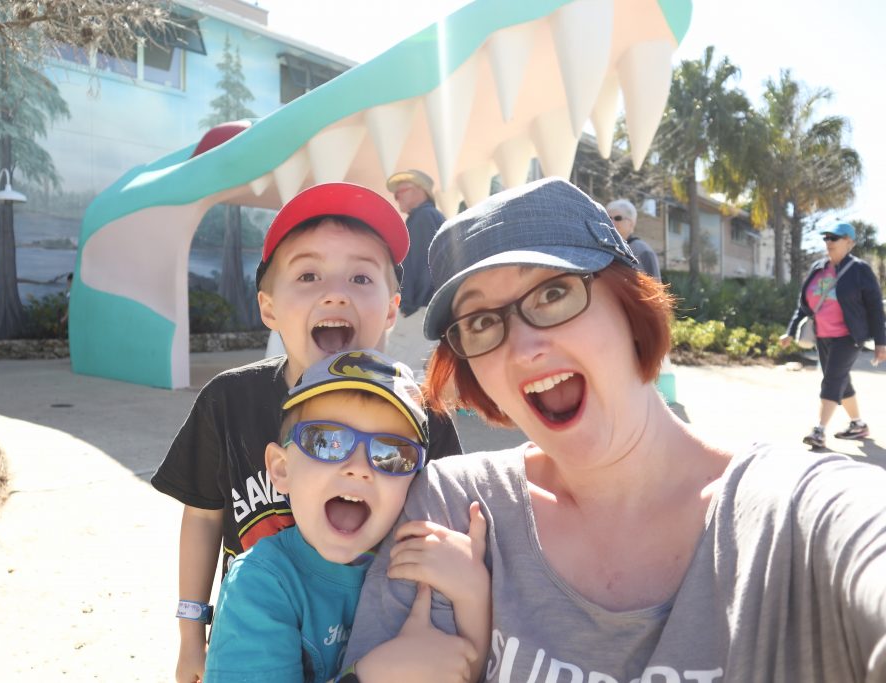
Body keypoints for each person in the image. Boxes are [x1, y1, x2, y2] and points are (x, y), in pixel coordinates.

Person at [344, 178, 886, 681]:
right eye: (482, 321)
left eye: (553, 293)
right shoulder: (452, 510)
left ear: (630, 303)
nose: (524, 347)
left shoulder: (791, 517)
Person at [150, 182, 463, 683]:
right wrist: (192, 635)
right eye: (309, 274)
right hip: (255, 636)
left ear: (390, 309)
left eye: (361, 276)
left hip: (387, 643)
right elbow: (204, 517)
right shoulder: (229, 401)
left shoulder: (424, 418)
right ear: (270, 308)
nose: (335, 291)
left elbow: (447, 543)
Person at [204, 349, 488, 683]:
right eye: (325, 441)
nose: (358, 468)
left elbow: (461, 669)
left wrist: (473, 596)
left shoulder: (423, 559)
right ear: (281, 469)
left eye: (392, 454)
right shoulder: (260, 584)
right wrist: (369, 677)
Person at [779, 221, 886, 448]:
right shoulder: (818, 267)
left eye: (834, 238)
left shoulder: (860, 270)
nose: (828, 242)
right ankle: (858, 424)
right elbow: (804, 305)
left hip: (848, 336)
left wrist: (881, 342)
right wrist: (790, 331)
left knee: (832, 380)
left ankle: (819, 430)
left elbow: (875, 308)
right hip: (822, 335)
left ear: (849, 242)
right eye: (826, 238)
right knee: (840, 380)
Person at [385, 169, 446, 378]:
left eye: (402, 190)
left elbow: (422, 266)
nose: (397, 196)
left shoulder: (422, 217)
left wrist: (408, 304)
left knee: (398, 373)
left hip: (418, 310)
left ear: (423, 191)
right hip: (426, 309)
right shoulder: (430, 217)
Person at [606, 198, 661, 279]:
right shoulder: (604, 248)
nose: (612, 222)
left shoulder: (643, 251)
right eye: (609, 218)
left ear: (631, 223)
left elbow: (657, 287)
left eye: (618, 218)